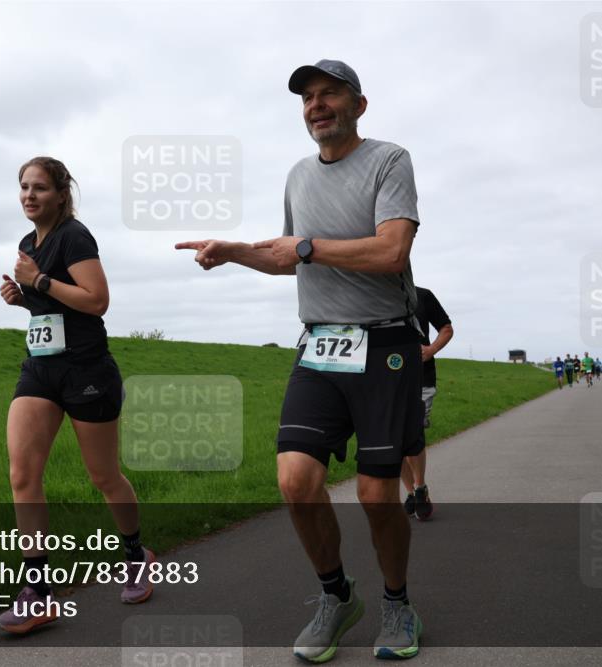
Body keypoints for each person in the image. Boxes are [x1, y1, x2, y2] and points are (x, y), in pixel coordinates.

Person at [177, 59, 424, 662]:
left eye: (329, 94)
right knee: (295, 480)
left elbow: (392, 251)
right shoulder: (296, 175)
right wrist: (235, 251)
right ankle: (336, 597)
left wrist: (309, 246)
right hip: (319, 346)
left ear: (358, 105)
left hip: (386, 345)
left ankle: (397, 603)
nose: (316, 106)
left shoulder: (390, 160)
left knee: (375, 493)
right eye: (308, 98)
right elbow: (290, 258)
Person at [0, 156, 154, 634]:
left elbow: (96, 300)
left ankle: (135, 554)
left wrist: (39, 281)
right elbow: (53, 306)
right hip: (40, 371)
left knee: (103, 476)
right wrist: (24, 299)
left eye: (39, 188)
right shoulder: (29, 243)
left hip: (86, 370)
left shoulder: (74, 236)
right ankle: (39, 591)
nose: (29, 195)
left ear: (61, 194)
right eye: (24, 187)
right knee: (23, 473)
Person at [401, 286, 452, 521]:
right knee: (394, 441)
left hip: (422, 379)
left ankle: (420, 487)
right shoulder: (374, 294)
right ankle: (412, 492)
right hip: (387, 380)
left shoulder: (423, 295)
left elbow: (446, 328)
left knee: (412, 433)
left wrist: (431, 350)